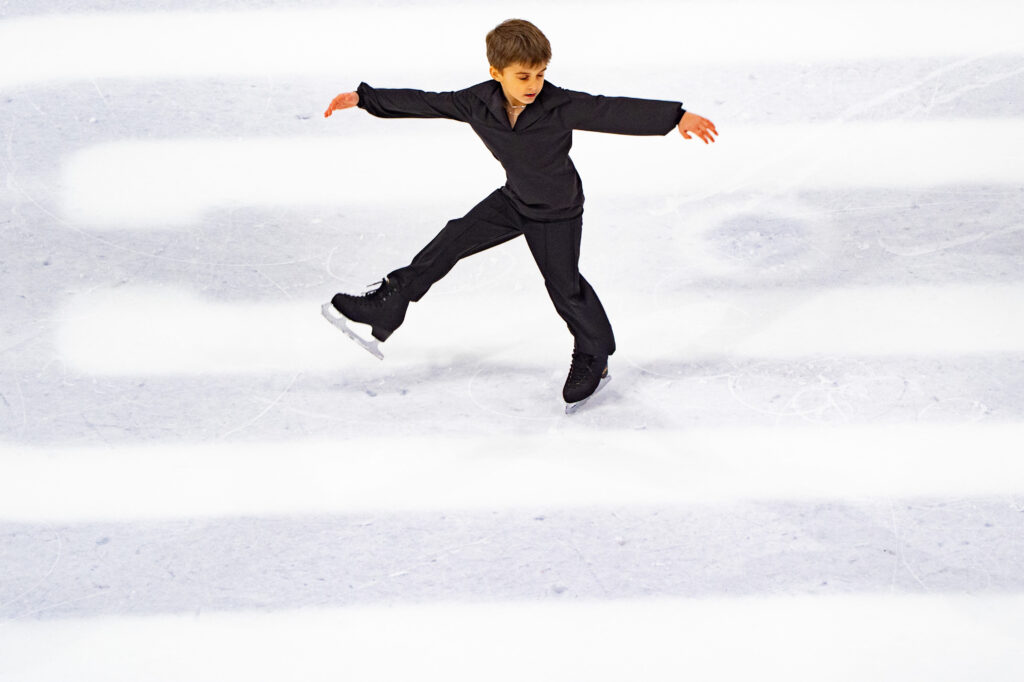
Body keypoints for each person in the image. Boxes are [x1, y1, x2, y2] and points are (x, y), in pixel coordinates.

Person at [322, 18, 717, 411]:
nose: (533, 85)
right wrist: (365, 99)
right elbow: (428, 101)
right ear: (496, 73)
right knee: (453, 237)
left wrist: (676, 117)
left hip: (557, 210)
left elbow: (608, 109)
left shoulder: (559, 105)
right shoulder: (476, 102)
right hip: (514, 199)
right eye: (523, 76)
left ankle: (594, 357)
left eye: (540, 75)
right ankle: (391, 300)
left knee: (565, 288)